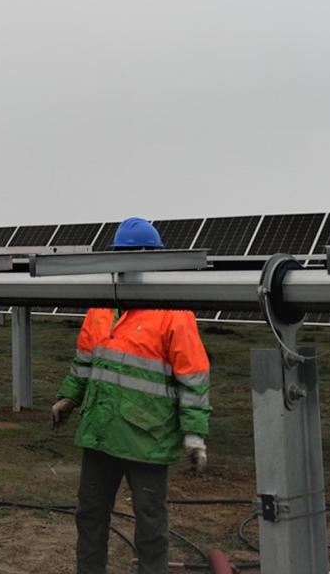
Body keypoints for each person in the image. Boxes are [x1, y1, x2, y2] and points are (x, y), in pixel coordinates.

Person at [51, 217, 211, 574]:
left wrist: (194, 434)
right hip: (101, 431)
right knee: (90, 515)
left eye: (135, 254)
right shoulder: (101, 305)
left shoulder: (173, 310)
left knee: (150, 523)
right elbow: (84, 363)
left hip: (147, 437)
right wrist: (69, 398)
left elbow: (193, 376)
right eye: (123, 254)